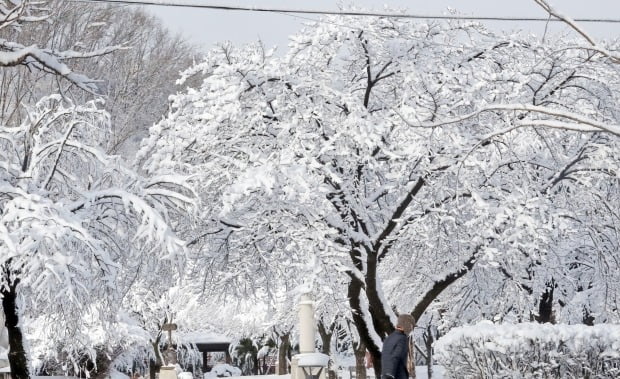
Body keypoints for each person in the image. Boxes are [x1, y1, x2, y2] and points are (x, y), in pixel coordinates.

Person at [381, 314, 415, 379]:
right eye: (412, 327)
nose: (412, 330)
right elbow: (395, 356)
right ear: (407, 325)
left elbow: (386, 357)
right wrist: (389, 375)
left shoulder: (389, 338)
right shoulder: (402, 338)